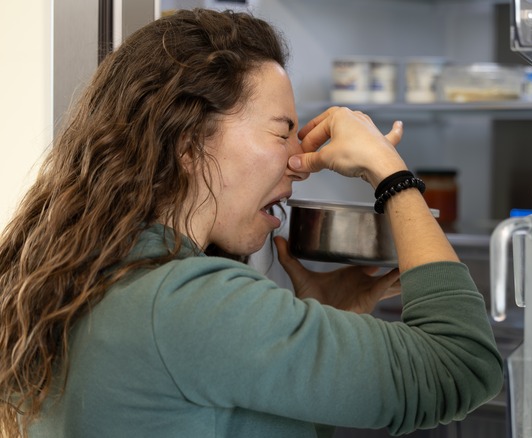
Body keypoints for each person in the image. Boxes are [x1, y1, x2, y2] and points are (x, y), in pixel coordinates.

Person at [0, 8, 503, 438]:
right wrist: (391, 174)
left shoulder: (94, 277)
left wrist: (311, 323)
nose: (298, 159)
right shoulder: (187, 303)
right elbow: (459, 364)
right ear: (192, 143)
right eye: (282, 132)